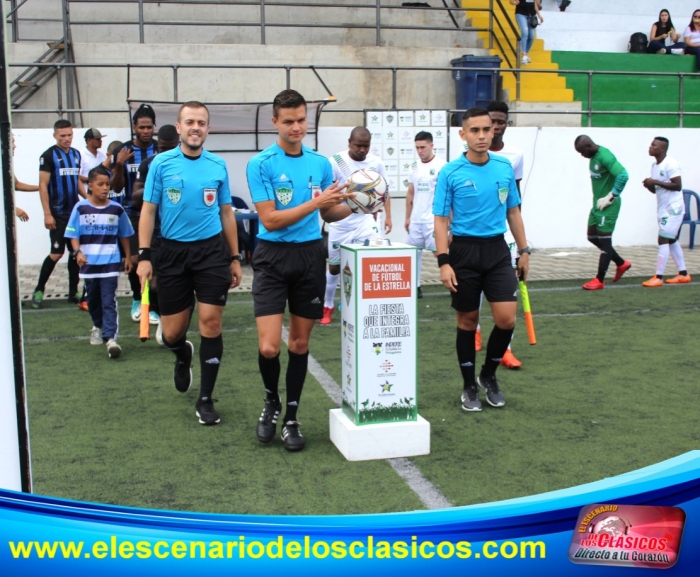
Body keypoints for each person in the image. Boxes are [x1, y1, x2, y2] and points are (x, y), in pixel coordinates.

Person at [246, 89, 349, 451]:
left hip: (310, 256)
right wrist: (318, 203)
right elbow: (270, 220)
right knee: (269, 347)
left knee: (300, 343)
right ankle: (271, 401)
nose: (296, 127)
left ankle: (291, 417)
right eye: (288, 121)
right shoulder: (261, 164)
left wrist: (359, 204)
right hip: (272, 258)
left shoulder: (320, 163)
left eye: (302, 120)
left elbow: (328, 213)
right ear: (275, 122)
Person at [138, 101, 243, 426]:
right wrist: (144, 256)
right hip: (171, 254)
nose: (195, 127)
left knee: (210, 323)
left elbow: (226, 213)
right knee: (171, 334)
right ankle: (182, 355)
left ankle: (206, 400)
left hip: (211, 253)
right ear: (179, 127)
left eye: (201, 122)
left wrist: (235, 257)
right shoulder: (161, 163)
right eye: (190, 122)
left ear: (208, 128)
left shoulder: (217, 165)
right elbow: (148, 211)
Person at [433, 107, 530, 413]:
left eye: (487, 129)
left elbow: (513, 211)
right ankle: (468, 385)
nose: (482, 135)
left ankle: (488, 375)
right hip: (463, 252)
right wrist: (444, 261)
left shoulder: (504, 167)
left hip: (497, 251)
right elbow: (440, 220)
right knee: (468, 321)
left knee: (506, 319)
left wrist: (524, 250)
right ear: (463, 134)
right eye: (474, 130)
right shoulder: (451, 172)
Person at [320, 126, 391, 324]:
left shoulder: (376, 163)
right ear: (349, 143)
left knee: (369, 261)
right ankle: (327, 305)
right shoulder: (336, 161)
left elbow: (384, 191)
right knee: (335, 268)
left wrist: (387, 216)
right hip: (340, 223)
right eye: (358, 145)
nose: (362, 150)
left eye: (366, 146)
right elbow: (329, 193)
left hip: (365, 221)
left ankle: (355, 303)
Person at [65, 166, 134, 358]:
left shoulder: (117, 209)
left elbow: (125, 234)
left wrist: (128, 257)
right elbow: (73, 234)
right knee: (93, 300)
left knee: (109, 301)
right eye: (100, 184)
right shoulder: (80, 208)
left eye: (107, 185)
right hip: (89, 265)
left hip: (110, 264)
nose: (105, 188)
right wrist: (77, 252)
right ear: (90, 185)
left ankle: (111, 339)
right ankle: (97, 325)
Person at [484, 100, 524, 370]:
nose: (496, 127)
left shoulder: (515, 156)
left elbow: (516, 199)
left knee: (507, 291)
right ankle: (475, 331)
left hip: (504, 233)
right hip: (472, 234)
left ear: (506, 124)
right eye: (492, 122)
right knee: (473, 289)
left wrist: (521, 243)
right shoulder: (469, 152)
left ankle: (506, 349)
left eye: (500, 122)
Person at [132, 124, 181, 344]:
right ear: (157, 145)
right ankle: (162, 318)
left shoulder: (187, 163)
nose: (166, 152)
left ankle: (171, 321)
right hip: (155, 233)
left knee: (179, 282)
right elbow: (135, 197)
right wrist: (156, 186)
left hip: (179, 234)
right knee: (153, 283)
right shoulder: (149, 164)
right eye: (162, 148)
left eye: (171, 148)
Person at [31, 119, 86, 309]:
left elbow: (76, 180)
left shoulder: (76, 154)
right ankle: (39, 290)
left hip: (74, 213)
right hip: (58, 213)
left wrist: (88, 199)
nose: (67, 138)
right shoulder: (48, 156)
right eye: (62, 135)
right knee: (56, 253)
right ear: (55, 135)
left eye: (69, 135)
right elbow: (43, 185)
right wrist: (47, 214)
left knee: (75, 253)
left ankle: (73, 292)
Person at [111, 104, 158, 324]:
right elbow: (116, 187)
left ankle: (154, 304)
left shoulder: (160, 149)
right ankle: (138, 299)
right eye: (142, 127)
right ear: (134, 127)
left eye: (149, 127)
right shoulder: (123, 151)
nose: (146, 131)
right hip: (130, 214)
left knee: (154, 258)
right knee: (134, 259)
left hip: (156, 215)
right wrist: (119, 164)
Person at [574, 135, 631, 290]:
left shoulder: (605, 156)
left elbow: (623, 175)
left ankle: (599, 279)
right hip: (597, 206)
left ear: (589, 146)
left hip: (609, 206)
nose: (582, 155)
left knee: (605, 243)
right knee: (592, 236)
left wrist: (611, 196)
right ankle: (621, 263)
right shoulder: (593, 157)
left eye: (582, 152)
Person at [641, 137, 690, 286]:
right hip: (663, 208)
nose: (650, 147)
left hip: (673, 208)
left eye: (653, 145)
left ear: (662, 149)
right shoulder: (654, 166)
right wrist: (649, 185)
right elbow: (657, 190)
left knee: (663, 239)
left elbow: (677, 186)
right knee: (671, 239)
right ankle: (683, 274)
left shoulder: (671, 164)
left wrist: (655, 181)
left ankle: (658, 276)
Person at [404, 131, 446, 300]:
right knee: (413, 254)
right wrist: (408, 217)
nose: (420, 151)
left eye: (423, 147)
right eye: (417, 148)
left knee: (439, 253)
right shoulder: (414, 166)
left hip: (433, 220)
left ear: (431, 145)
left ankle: (454, 282)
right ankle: (416, 287)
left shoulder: (442, 166)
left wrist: (449, 222)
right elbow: (410, 192)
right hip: (416, 220)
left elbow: (447, 195)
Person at [510, 0, 543, 65]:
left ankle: (525, 54)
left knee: (531, 36)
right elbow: (511, 1)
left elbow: (535, 5)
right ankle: (524, 54)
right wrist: (514, 2)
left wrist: (539, 15)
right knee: (525, 33)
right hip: (521, 14)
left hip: (531, 16)